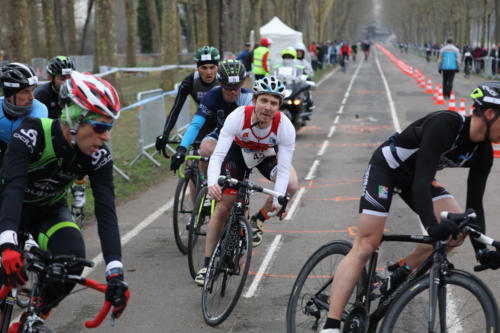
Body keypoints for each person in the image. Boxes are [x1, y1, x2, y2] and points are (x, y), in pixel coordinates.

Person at [320, 82, 500, 332]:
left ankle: (401, 270)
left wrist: (483, 249)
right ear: (490, 114)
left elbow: (474, 205)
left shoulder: (484, 152)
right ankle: (331, 324)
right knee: (367, 244)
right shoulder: (447, 125)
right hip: (387, 170)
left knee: (458, 229)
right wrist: (432, 225)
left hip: (416, 180)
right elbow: (421, 183)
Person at [0, 71, 129, 331]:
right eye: (101, 126)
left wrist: (115, 271)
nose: (106, 137)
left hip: (49, 212)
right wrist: (7, 244)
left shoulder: (98, 155)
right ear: (75, 118)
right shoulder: (33, 133)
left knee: (72, 262)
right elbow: (13, 188)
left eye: (109, 127)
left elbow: (106, 212)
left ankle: (30, 321)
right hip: (8, 207)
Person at [195, 76, 298, 286]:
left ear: (279, 106)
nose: (268, 107)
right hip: (238, 153)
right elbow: (217, 155)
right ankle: (207, 264)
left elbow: (284, 169)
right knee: (225, 205)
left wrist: (279, 200)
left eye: (274, 103)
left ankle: (257, 219)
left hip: (265, 155)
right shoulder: (238, 117)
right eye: (264, 101)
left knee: (290, 186)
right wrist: (213, 182)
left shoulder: (285, 126)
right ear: (254, 100)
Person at [169, 59, 252, 177]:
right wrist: (181, 148)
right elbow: (196, 124)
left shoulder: (248, 98)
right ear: (220, 84)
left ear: (242, 84)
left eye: (237, 87)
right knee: (204, 149)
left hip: (242, 137)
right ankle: (208, 185)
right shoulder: (212, 95)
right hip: (221, 132)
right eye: (228, 87)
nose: (233, 92)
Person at [34, 56, 87, 212]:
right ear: (51, 78)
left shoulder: (77, 92)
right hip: (48, 133)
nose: (67, 82)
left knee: (80, 147)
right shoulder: (41, 95)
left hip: (71, 131)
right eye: (62, 78)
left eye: (70, 77)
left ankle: (79, 187)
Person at [155, 46, 220, 155]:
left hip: (221, 123)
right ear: (197, 68)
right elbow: (175, 110)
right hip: (201, 123)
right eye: (204, 68)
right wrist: (165, 134)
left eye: (212, 67)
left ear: (217, 67)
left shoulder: (222, 80)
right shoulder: (190, 82)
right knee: (196, 158)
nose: (209, 72)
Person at [0, 63, 48, 168]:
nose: (32, 97)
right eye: (25, 91)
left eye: (33, 90)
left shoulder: (40, 111)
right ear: (9, 95)